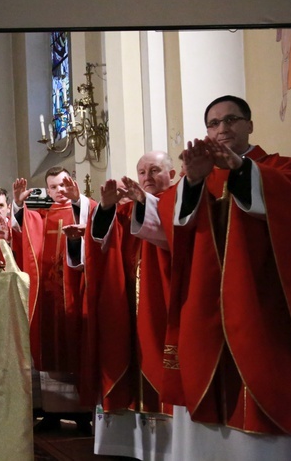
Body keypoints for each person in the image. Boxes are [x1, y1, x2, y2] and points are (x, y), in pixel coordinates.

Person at [142, 95, 291, 435]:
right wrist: (194, 182)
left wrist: (242, 171)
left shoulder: (281, 167)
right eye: (213, 123)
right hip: (205, 303)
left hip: (261, 302)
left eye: (231, 120)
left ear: (249, 125)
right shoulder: (201, 174)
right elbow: (172, 228)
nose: (222, 129)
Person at [80, 151, 175, 414]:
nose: (147, 177)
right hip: (127, 304)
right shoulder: (129, 208)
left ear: (172, 174)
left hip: (164, 299)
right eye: (142, 172)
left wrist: (145, 202)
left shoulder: (178, 200)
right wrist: (107, 207)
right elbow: (99, 241)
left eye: (155, 170)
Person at [12, 167, 94, 430]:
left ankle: (84, 413)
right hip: (48, 296)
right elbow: (19, 231)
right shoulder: (41, 215)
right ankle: (52, 411)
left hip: (77, 291)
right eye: (54, 187)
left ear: (73, 183)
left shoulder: (86, 209)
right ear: (48, 190)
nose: (60, 191)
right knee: (50, 344)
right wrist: (17, 203)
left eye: (64, 184)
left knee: (78, 344)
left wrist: (78, 201)